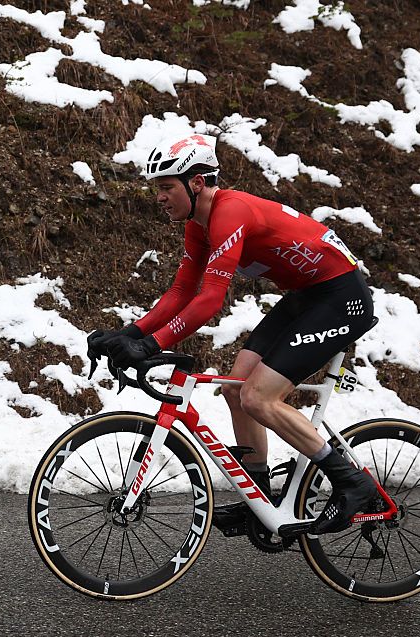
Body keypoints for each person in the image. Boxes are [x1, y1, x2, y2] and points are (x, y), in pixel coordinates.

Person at [88, 133, 376, 534]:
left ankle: (352, 481)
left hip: (342, 297)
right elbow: (181, 292)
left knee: (258, 397)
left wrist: (151, 344)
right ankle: (260, 499)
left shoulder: (230, 211)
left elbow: (210, 299)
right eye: (158, 188)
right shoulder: (199, 225)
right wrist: (130, 333)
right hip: (308, 296)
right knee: (235, 388)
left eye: (167, 187)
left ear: (197, 183)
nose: (159, 197)